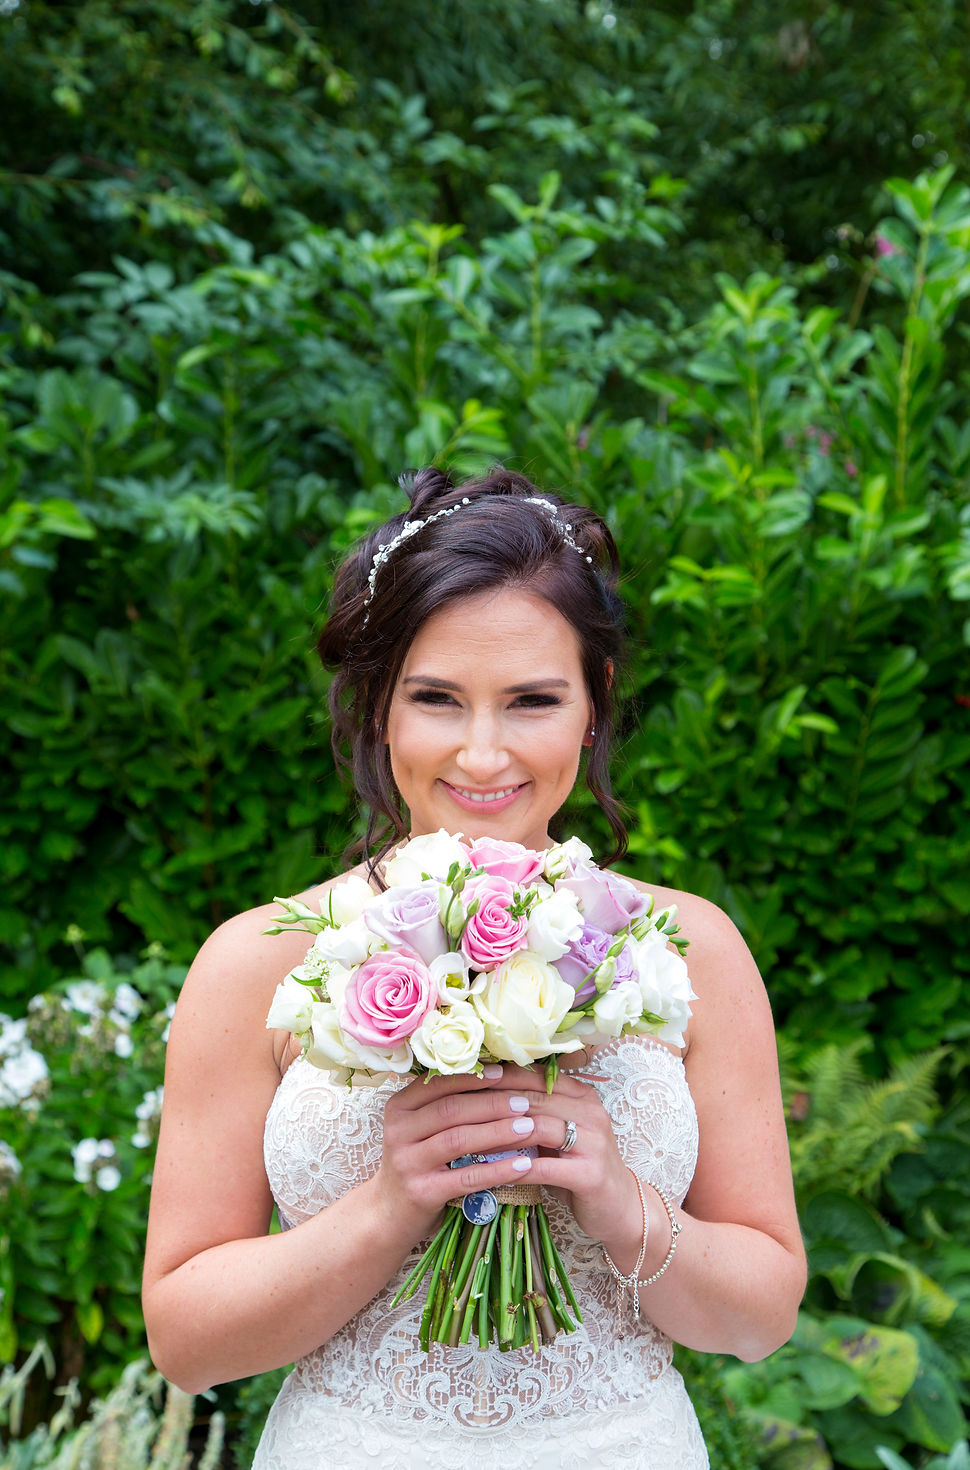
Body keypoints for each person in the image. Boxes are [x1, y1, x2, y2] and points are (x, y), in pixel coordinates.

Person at [142, 467, 807, 1470]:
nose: (484, 754)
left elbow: (759, 1320)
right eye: (438, 700)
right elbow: (187, 1344)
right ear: (377, 708)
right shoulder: (257, 961)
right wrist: (386, 1204)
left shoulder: (686, 947)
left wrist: (618, 1200)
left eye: (532, 700)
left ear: (594, 705)